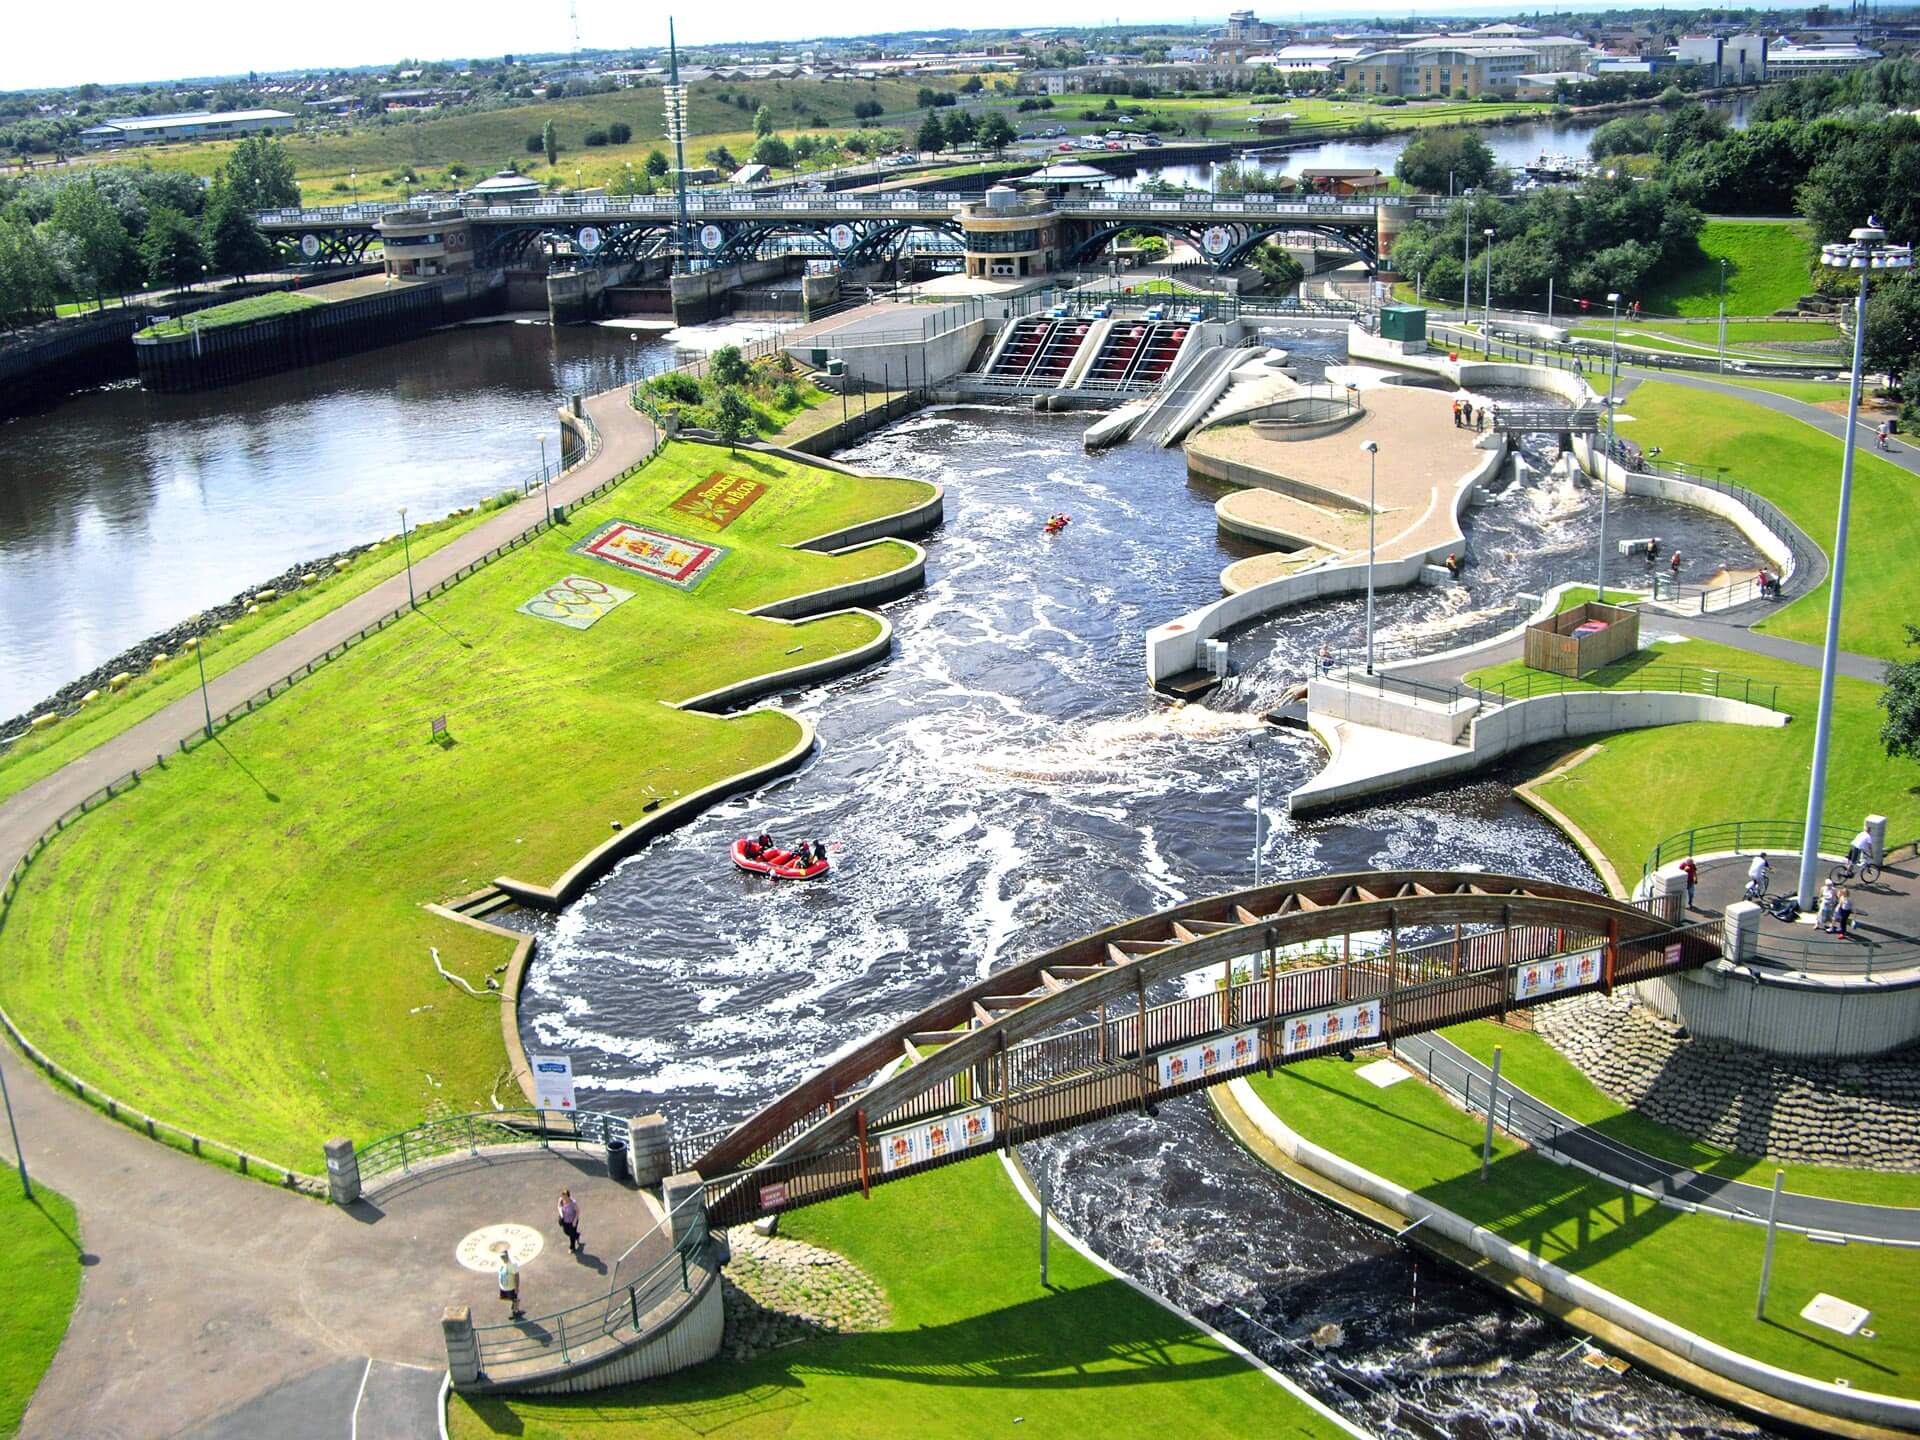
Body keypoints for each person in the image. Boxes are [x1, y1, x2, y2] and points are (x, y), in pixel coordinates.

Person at [497, 1249, 523, 1320]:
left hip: (511, 1287)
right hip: (504, 1286)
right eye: (501, 1257)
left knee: (514, 1299)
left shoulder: (513, 1264)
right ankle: (515, 1309)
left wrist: (517, 1288)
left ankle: (515, 1312)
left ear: (507, 1255)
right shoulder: (501, 1263)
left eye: (504, 1256)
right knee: (511, 1299)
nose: (502, 1258)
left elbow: (516, 1276)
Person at [558, 1189, 581, 1255]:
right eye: (562, 1196)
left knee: (571, 1235)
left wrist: (575, 1221)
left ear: (568, 1196)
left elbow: (578, 1212)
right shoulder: (561, 1200)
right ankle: (577, 1235)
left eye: (565, 1197)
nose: (563, 1198)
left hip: (573, 1221)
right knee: (566, 1232)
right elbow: (559, 1206)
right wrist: (561, 1214)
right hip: (565, 1220)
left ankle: (572, 1247)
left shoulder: (573, 1203)